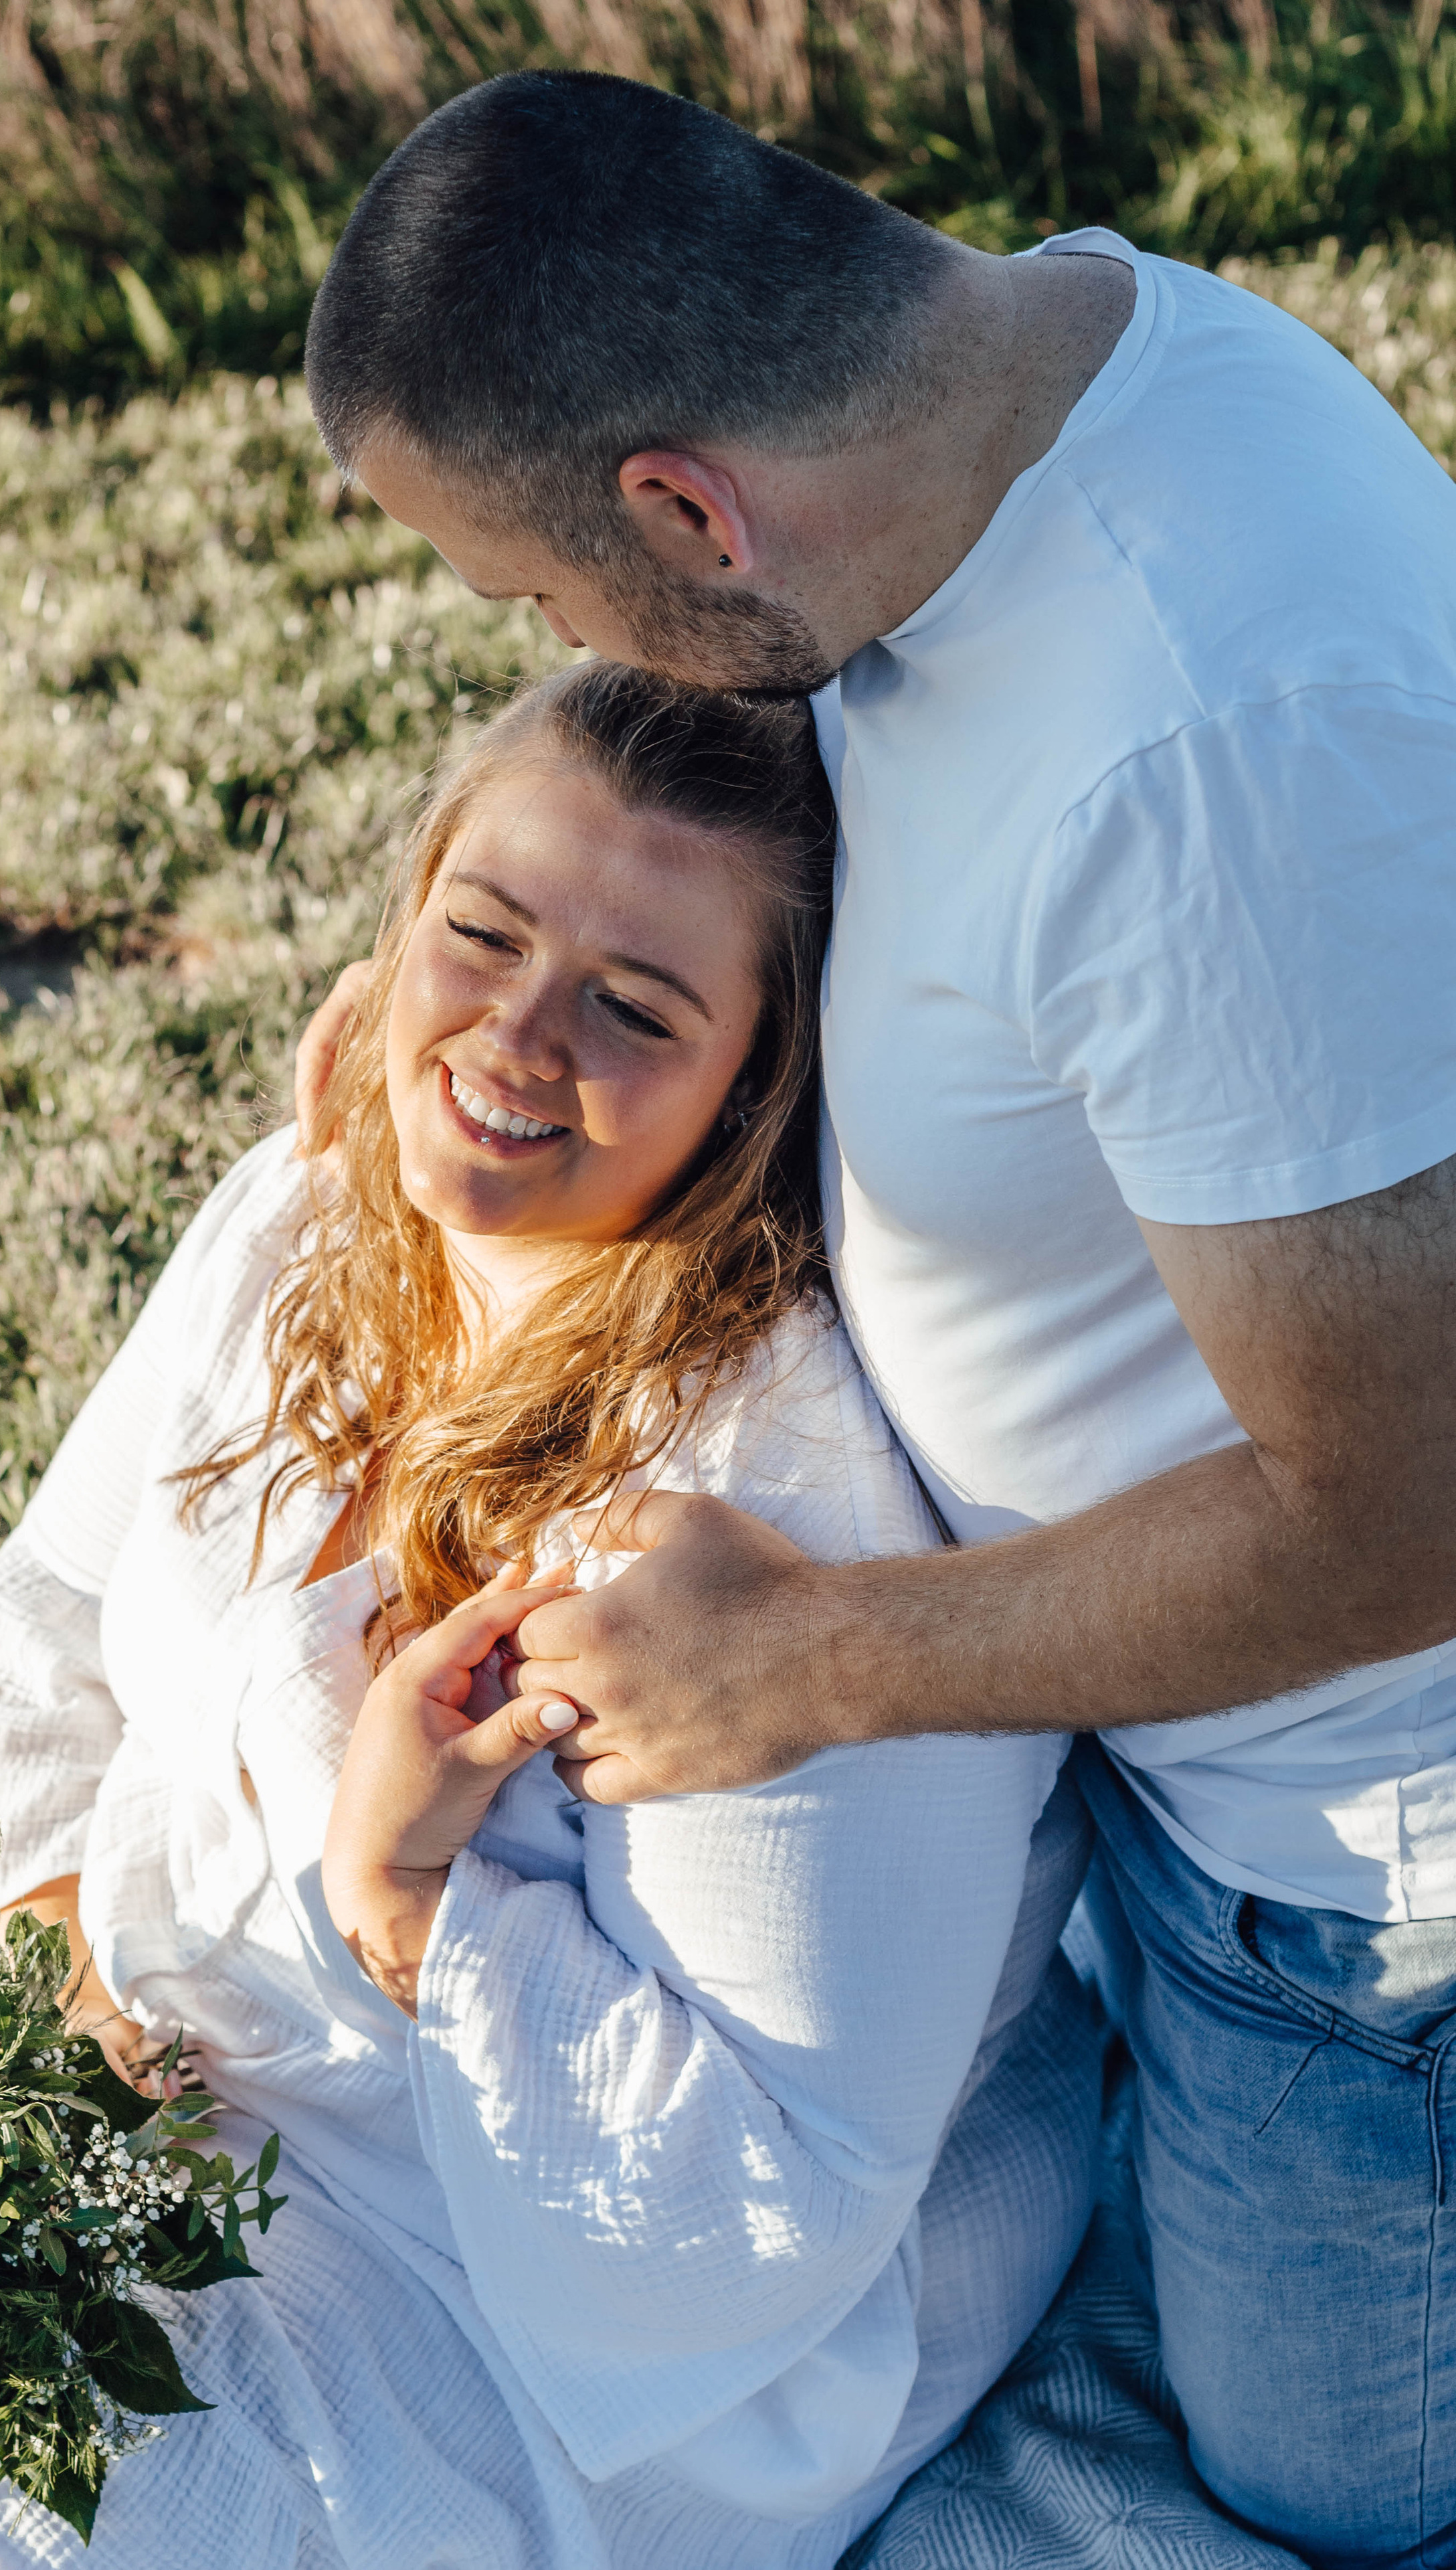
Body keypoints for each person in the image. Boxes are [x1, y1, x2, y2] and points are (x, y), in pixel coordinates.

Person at [298, 70, 1456, 2568]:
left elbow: (1417, 1518)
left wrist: (807, 1669)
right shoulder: (1068, 354)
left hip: (1356, 1881)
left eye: (539, 594)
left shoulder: (1208, 748)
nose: (561, 646)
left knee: (1329, 2488)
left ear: (691, 511)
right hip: (1155, 1784)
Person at [0, 665, 1098, 2570]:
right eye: (482, 935)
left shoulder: (768, 1522)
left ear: (756, 1084)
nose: (518, 1038)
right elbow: (55, 1608)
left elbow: (772, 2198)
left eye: (634, 1007)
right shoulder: (312, 1217)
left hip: (505, 2305)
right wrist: (42, 1940)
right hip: (146, 2031)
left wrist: (413, 1915)